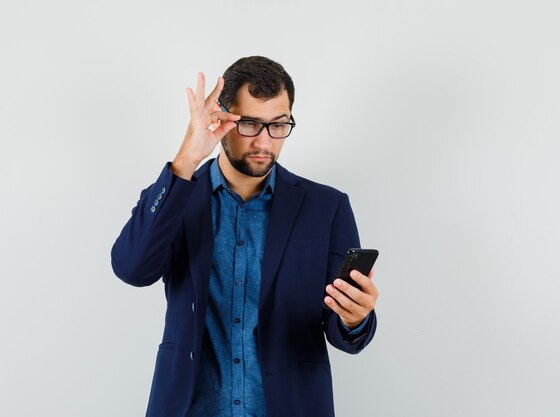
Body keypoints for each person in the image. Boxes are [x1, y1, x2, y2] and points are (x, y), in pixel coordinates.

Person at [111, 56, 379, 417]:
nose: (264, 142)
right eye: (250, 124)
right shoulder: (178, 196)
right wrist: (185, 161)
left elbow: (342, 329)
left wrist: (354, 317)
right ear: (221, 119)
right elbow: (131, 268)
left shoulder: (326, 207)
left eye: (278, 125)